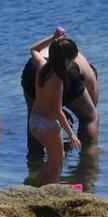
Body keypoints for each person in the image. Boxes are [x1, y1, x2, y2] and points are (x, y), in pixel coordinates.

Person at [21, 28, 100, 160]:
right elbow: (91, 112)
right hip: (65, 72)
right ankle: (88, 160)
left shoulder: (49, 58)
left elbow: (52, 100)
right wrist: (71, 133)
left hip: (32, 69)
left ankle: (34, 161)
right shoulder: (85, 71)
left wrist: (53, 37)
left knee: (34, 114)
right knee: (89, 117)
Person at [25, 37, 86, 185]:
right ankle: (48, 197)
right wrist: (71, 134)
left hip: (34, 122)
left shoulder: (42, 67)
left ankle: (38, 189)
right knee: (57, 165)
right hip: (48, 125)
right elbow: (57, 111)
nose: (72, 63)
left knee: (54, 160)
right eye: (71, 59)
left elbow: (34, 49)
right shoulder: (57, 80)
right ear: (65, 60)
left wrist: (54, 37)